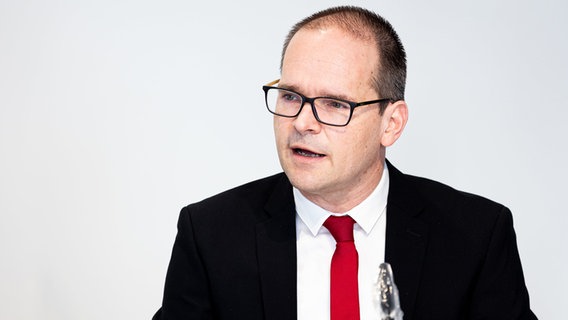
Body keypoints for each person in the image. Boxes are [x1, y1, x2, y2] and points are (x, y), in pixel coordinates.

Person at [153, 6, 537, 320]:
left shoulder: (476, 236)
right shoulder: (210, 234)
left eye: (335, 104)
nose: (302, 123)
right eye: (290, 96)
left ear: (392, 123)